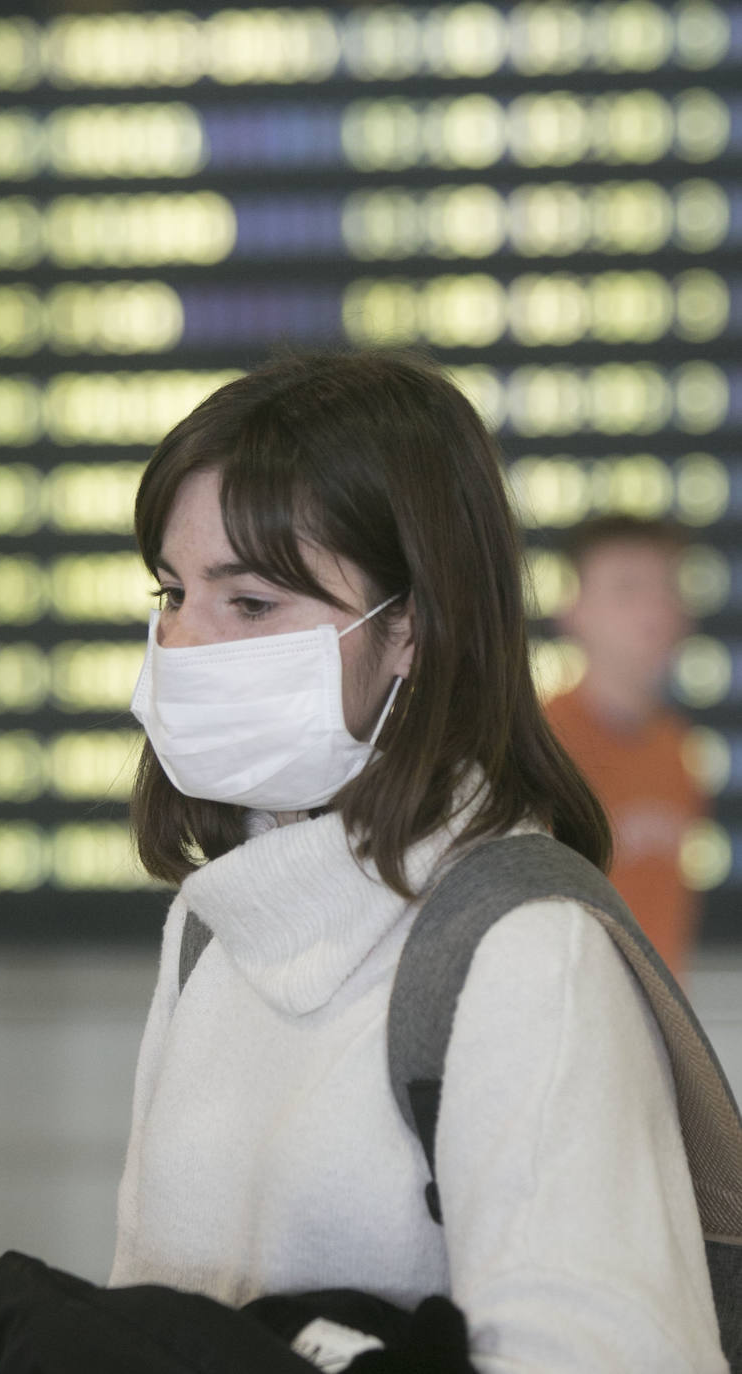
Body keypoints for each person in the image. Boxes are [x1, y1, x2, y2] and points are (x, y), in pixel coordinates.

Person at [111, 351, 727, 1371]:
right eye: (172, 593)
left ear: (407, 625)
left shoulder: (524, 954)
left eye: (250, 604)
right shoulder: (211, 927)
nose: (181, 643)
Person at [545, 515, 706, 982]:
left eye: (666, 588)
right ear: (573, 610)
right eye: (626, 589)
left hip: (657, 1026)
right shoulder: (541, 751)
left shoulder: (677, 752)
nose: (653, 612)